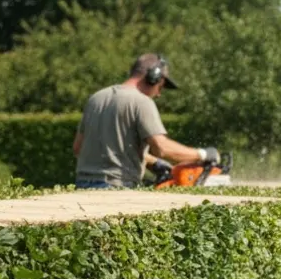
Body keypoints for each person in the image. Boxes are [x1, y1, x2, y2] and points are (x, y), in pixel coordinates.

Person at [73, 54, 219, 189]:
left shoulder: (96, 98)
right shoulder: (141, 102)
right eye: (160, 86)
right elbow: (162, 148)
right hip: (116, 187)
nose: (159, 94)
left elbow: (79, 147)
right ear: (153, 77)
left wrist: (153, 163)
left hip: (82, 186)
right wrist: (203, 154)